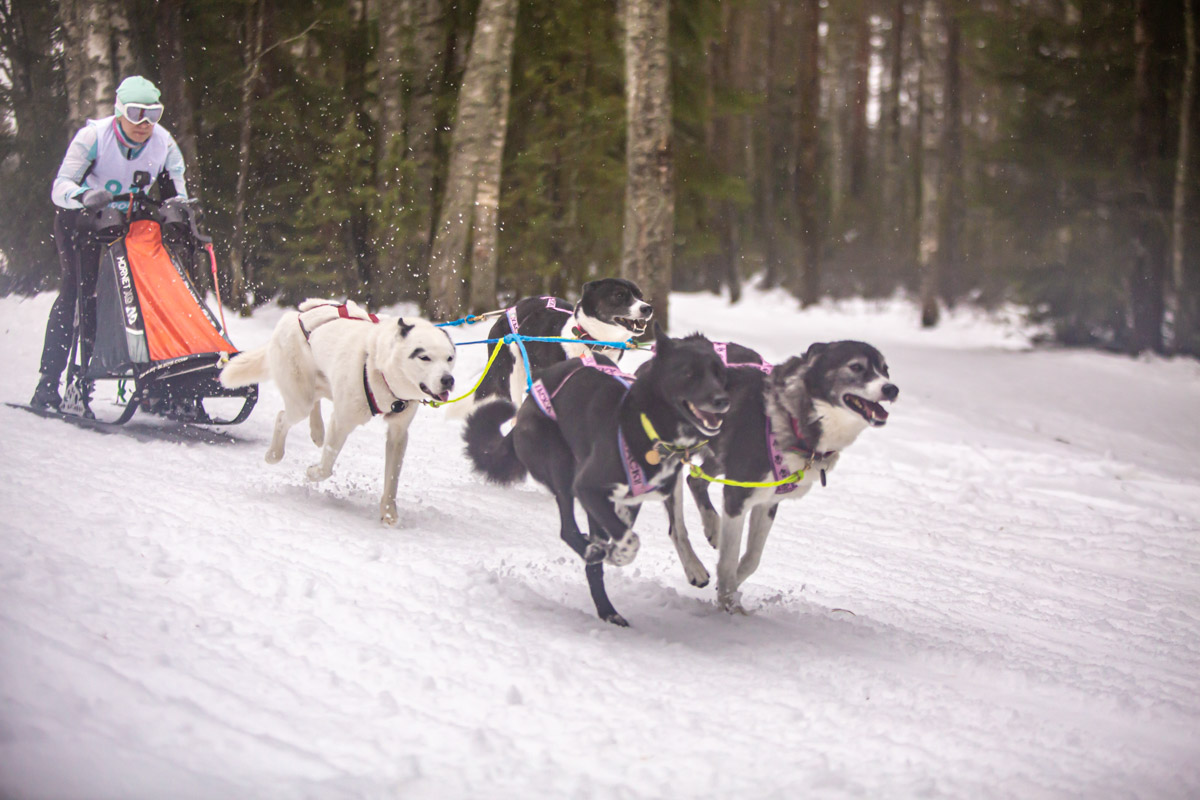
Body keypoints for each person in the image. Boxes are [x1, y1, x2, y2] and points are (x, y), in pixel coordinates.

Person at [31, 75, 189, 414]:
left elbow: (177, 193)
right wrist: (85, 195)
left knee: (149, 296)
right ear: (119, 112)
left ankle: (157, 385)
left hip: (129, 223)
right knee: (79, 293)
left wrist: (178, 209)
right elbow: (60, 187)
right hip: (82, 220)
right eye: (135, 113)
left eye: (154, 114)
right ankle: (53, 383)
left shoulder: (164, 143)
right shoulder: (93, 137)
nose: (144, 124)